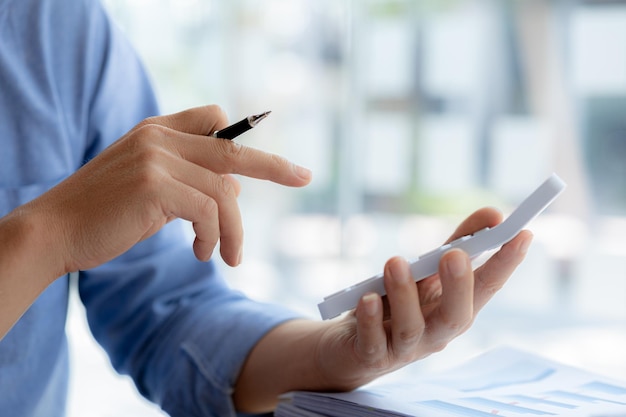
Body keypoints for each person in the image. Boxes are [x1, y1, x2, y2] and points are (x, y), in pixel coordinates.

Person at [0, 0, 533, 415]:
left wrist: (333, 352)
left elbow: (165, 312)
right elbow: (63, 237)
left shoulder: (58, 27)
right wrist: (45, 237)